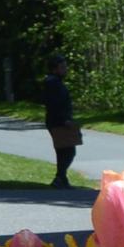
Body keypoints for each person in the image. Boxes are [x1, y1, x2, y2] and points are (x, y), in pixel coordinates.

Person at [40, 60, 81, 192]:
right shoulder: (52, 83)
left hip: (60, 120)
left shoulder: (55, 82)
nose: (65, 69)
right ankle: (60, 178)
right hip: (58, 122)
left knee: (64, 151)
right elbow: (53, 104)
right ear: (54, 69)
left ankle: (61, 179)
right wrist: (64, 120)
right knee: (68, 151)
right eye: (62, 67)